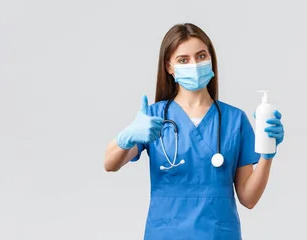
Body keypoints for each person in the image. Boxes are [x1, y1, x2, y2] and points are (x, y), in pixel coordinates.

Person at [103, 23, 285, 239]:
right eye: (183, 60)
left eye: (201, 56)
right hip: (166, 233)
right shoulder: (154, 118)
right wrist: (127, 136)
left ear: (211, 59)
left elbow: (249, 198)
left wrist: (267, 154)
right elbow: (110, 164)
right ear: (169, 67)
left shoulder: (234, 119)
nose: (194, 65)